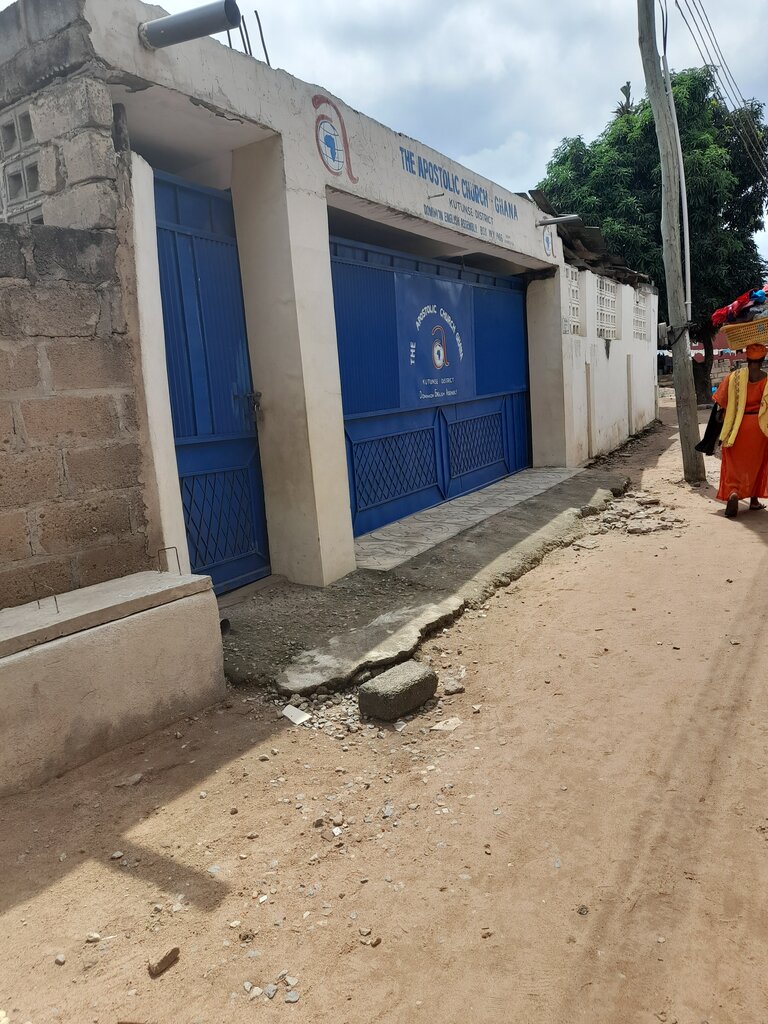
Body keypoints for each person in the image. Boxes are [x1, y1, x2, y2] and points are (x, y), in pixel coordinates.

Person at [713, 342, 768, 517]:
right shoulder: (767, 380)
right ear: (763, 360)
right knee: (756, 464)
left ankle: (734, 493)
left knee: (733, 464)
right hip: (758, 428)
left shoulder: (733, 377)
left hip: (736, 425)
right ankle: (753, 500)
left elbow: (720, 402)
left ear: (746, 358)